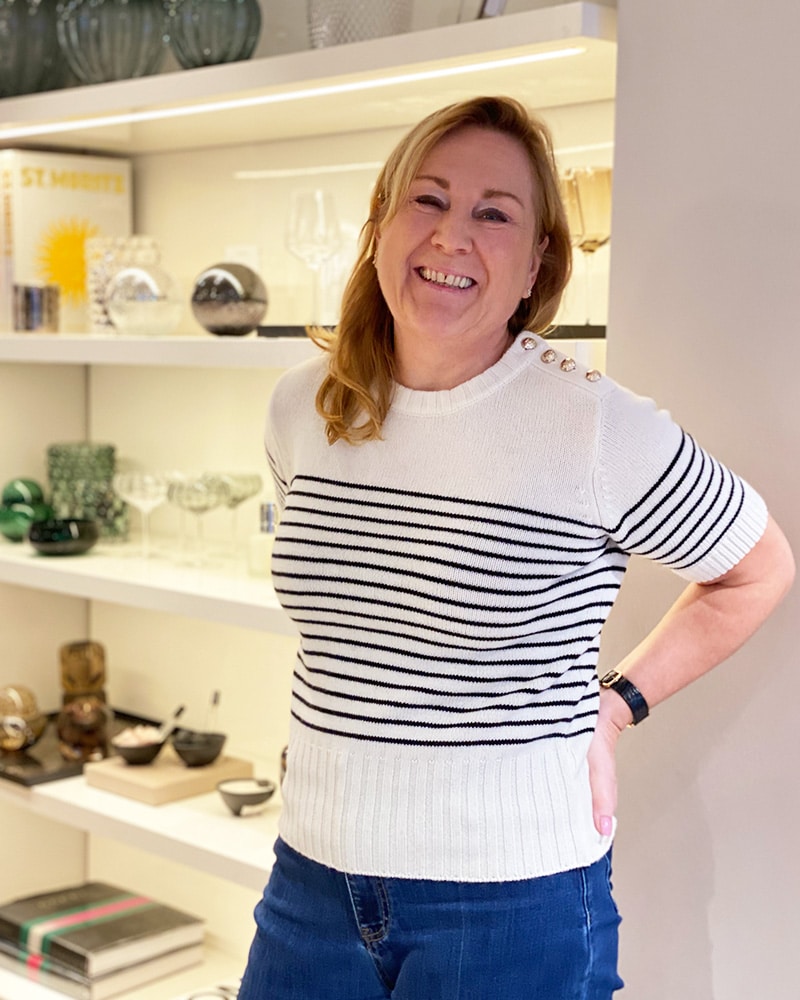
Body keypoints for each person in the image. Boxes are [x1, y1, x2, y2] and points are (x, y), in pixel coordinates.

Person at [238, 96, 794, 999]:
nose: (451, 235)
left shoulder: (594, 429)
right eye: (427, 199)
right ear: (379, 224)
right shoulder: (303, 407)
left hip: (509, 905)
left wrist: (616, 706)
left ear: (537, 260)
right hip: (309, 884)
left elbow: (757, 569)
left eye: (494, 214)